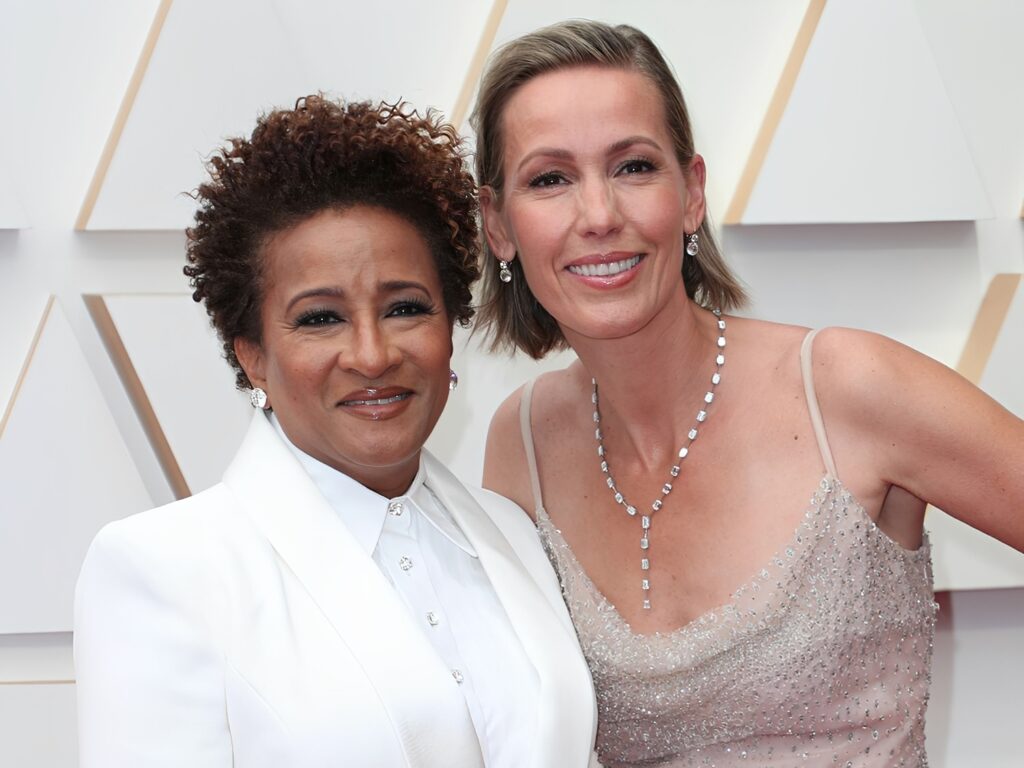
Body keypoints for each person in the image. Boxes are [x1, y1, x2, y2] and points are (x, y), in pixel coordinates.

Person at [473, 20, 1024, 768]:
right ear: (498, 224)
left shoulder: (844, 388)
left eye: (633, 167)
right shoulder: (523, 442)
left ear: (692, 193)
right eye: (550, 179)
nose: (599, 215)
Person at [74, 95, 598, 768]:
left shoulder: (513, 531)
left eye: (405, 308)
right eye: (321, 318)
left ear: (450, 327)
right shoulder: (164, 570)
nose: (372, 355)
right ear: (251, 354)